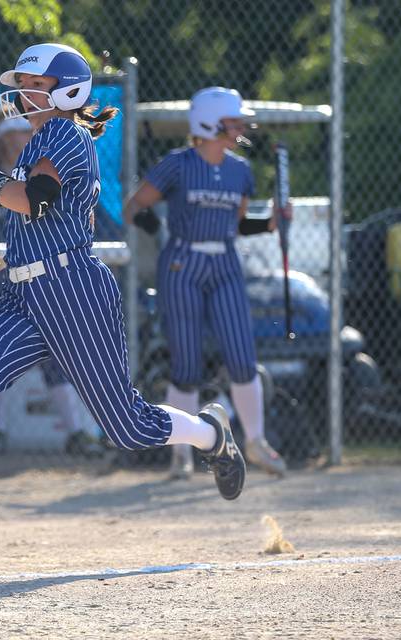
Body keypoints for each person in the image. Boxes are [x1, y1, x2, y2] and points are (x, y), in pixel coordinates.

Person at [0, 43, 246, 541]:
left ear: (68, 91)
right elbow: (41, 217)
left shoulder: (64, 134)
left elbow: (33, 201)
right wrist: (15, 255)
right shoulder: (41, 137)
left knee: (127, 426)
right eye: (25, 87)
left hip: (70, 288)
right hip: (25, 289)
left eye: (37, 86)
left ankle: (211, 434)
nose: (25, 95)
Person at [123, 86, 289, 479]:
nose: (240, 126)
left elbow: (238, 223)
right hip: (183, 261)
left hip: (225, 262)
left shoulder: (240, 170)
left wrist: (271, 222)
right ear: (209, 121)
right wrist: (160, 231)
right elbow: (134, 207)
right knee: (186, 363)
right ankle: (180, 455)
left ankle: (256, 441)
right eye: (232, 120)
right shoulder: (178, 164)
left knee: (241, 354)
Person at [0, 107, 105, 457]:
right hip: (1, 278)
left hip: (46, 276)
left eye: (25, 133)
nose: (23, 138)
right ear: (1, 141)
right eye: (15, 133)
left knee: (56, 352)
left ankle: (77, 432)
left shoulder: (45, 175)